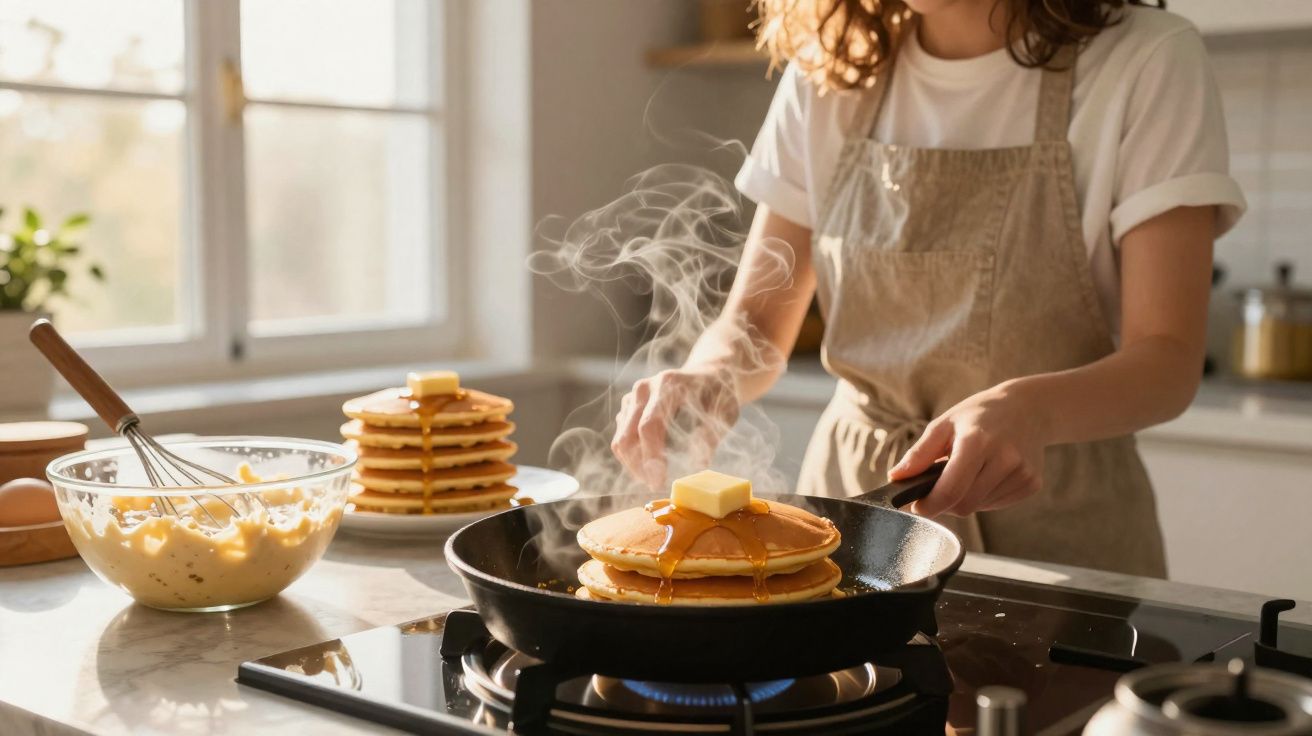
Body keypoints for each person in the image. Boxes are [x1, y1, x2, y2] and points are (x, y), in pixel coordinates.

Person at [611, 0, 1245, 576]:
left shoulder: (1147, 61)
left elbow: (1167, 357)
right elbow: (755, 323)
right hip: (853, 529)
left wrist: (1031, 410)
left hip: (1063, 541)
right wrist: (708, 377)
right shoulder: (830, 72)